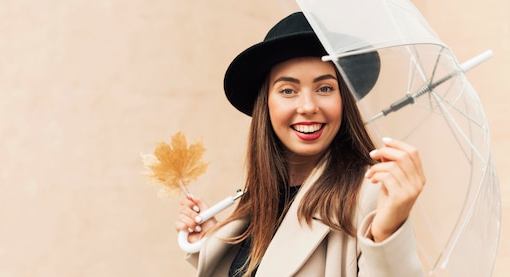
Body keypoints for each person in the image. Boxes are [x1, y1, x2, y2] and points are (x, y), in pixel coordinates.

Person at [174, 12, 426, 277]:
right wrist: (218, 246)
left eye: (325, 88)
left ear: (344, 100)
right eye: (288, 90)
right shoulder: (255, 202)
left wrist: (386, 234)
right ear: (266, 105)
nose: (307, 107)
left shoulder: (371, 193)